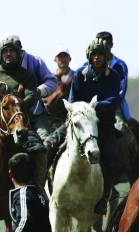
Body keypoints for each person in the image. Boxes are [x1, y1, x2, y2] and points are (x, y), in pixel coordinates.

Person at [45, 38, 121, 215]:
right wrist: (84, 110)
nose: (97, 57)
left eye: (100, 54)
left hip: (102, 126)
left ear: (106, 56)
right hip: (78, 125)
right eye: (94, 54)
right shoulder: (80, 74)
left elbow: (112, 102)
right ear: (89, 56)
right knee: (47, 146)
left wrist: (88, 108)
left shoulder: (114, 77)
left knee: (114, 159)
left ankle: (103, 198)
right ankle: (44, 192)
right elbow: (71, 102)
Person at [0, 34, 48, 194]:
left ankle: (39, 192)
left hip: (20, 123)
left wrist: (14, 105)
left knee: (39, 150)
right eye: (5, 51)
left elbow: (31, 96)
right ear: (0, 54)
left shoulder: (27, 76)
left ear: (19, 54)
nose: (9, 54)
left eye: (12, 51)